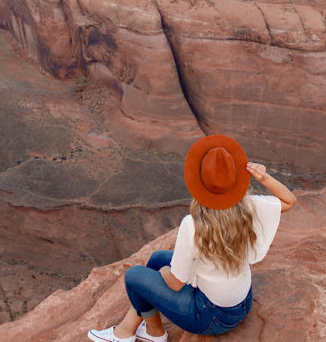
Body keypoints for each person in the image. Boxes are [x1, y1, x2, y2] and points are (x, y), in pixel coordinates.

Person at [88, 134, 297, 342]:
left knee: (135, 276)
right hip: (242, 303)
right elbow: (289, 201)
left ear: (199, 183)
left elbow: (176, 284)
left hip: (210, 317)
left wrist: (165, 274)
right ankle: (144, 331)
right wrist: (263, 177)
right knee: (158, 257)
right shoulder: (248, 207)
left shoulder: (194, 224)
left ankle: (139, 334)